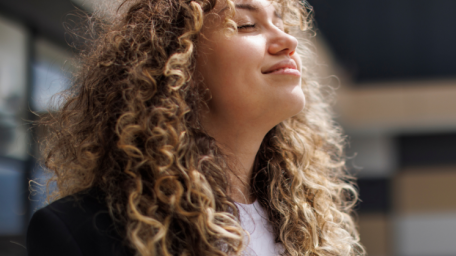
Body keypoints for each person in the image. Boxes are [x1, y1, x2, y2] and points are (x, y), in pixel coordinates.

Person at [26, 0, 364, 255]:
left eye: (281, 22)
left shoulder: (310, 226)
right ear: (178, 62)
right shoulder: (80, 231)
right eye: (246, 25)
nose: (287, 40)